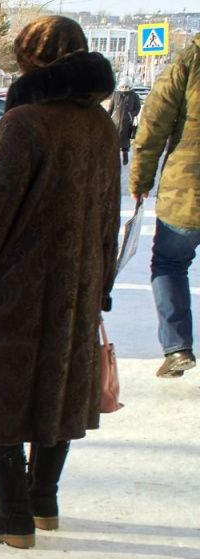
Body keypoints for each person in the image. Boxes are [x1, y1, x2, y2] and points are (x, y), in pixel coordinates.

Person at [0, 16, 119, 549]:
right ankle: (43, 502)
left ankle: (10, 514)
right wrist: (98, 285)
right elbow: (109, 217)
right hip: (74, 291)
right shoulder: (100, 128)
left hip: (12, 291)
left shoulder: (24, 124)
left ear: (31, 61)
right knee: (54, 395)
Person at [131, 31, 200, 379]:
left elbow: (153, 125)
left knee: (170, 263)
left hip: (186, 188)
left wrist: (140, 180)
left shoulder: (186, 63)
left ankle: (177, 348)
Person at [110, 80, 141, 165]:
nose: (124, 88)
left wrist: (131, 114)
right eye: (123, 86)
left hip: (127, 121)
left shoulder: (134, 95)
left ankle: (125, 156)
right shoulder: (116, 94)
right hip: (115, 120)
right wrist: (108, 117)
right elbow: (111, 107)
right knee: (114, 139)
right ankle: (114, 158)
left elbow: (137, 108)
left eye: (126, 86)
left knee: (125, 140)